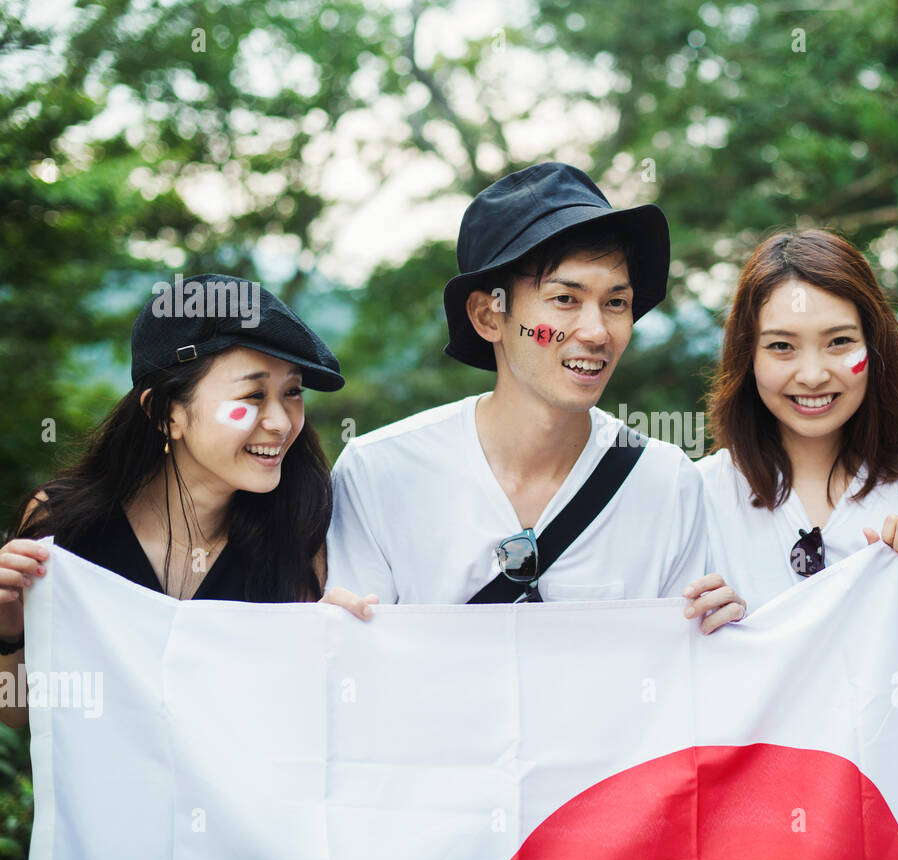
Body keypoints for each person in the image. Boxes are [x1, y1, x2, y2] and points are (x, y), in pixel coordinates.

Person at [325, 162, 723, 623]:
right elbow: (356, 661)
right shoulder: (378, 473)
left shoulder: (665, 483)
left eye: (616, 303)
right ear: (489, 316)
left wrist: (718, 634)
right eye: (565, 299)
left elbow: (674, 671)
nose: (596, 332)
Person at [0, 275, 375, 729]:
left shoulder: (302, 527)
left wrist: (337, 647)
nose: (280, 422)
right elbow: (20, 715)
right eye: (253, 395)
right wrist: (10, 629)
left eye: (292, 392)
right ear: (166, 413)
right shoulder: (65, 525)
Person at [691, 229, 898, 615]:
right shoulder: (697, 494)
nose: (812, 375)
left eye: (839, 342)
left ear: (875, 348)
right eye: (781, 346)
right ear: (748, 356)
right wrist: (725, 635)